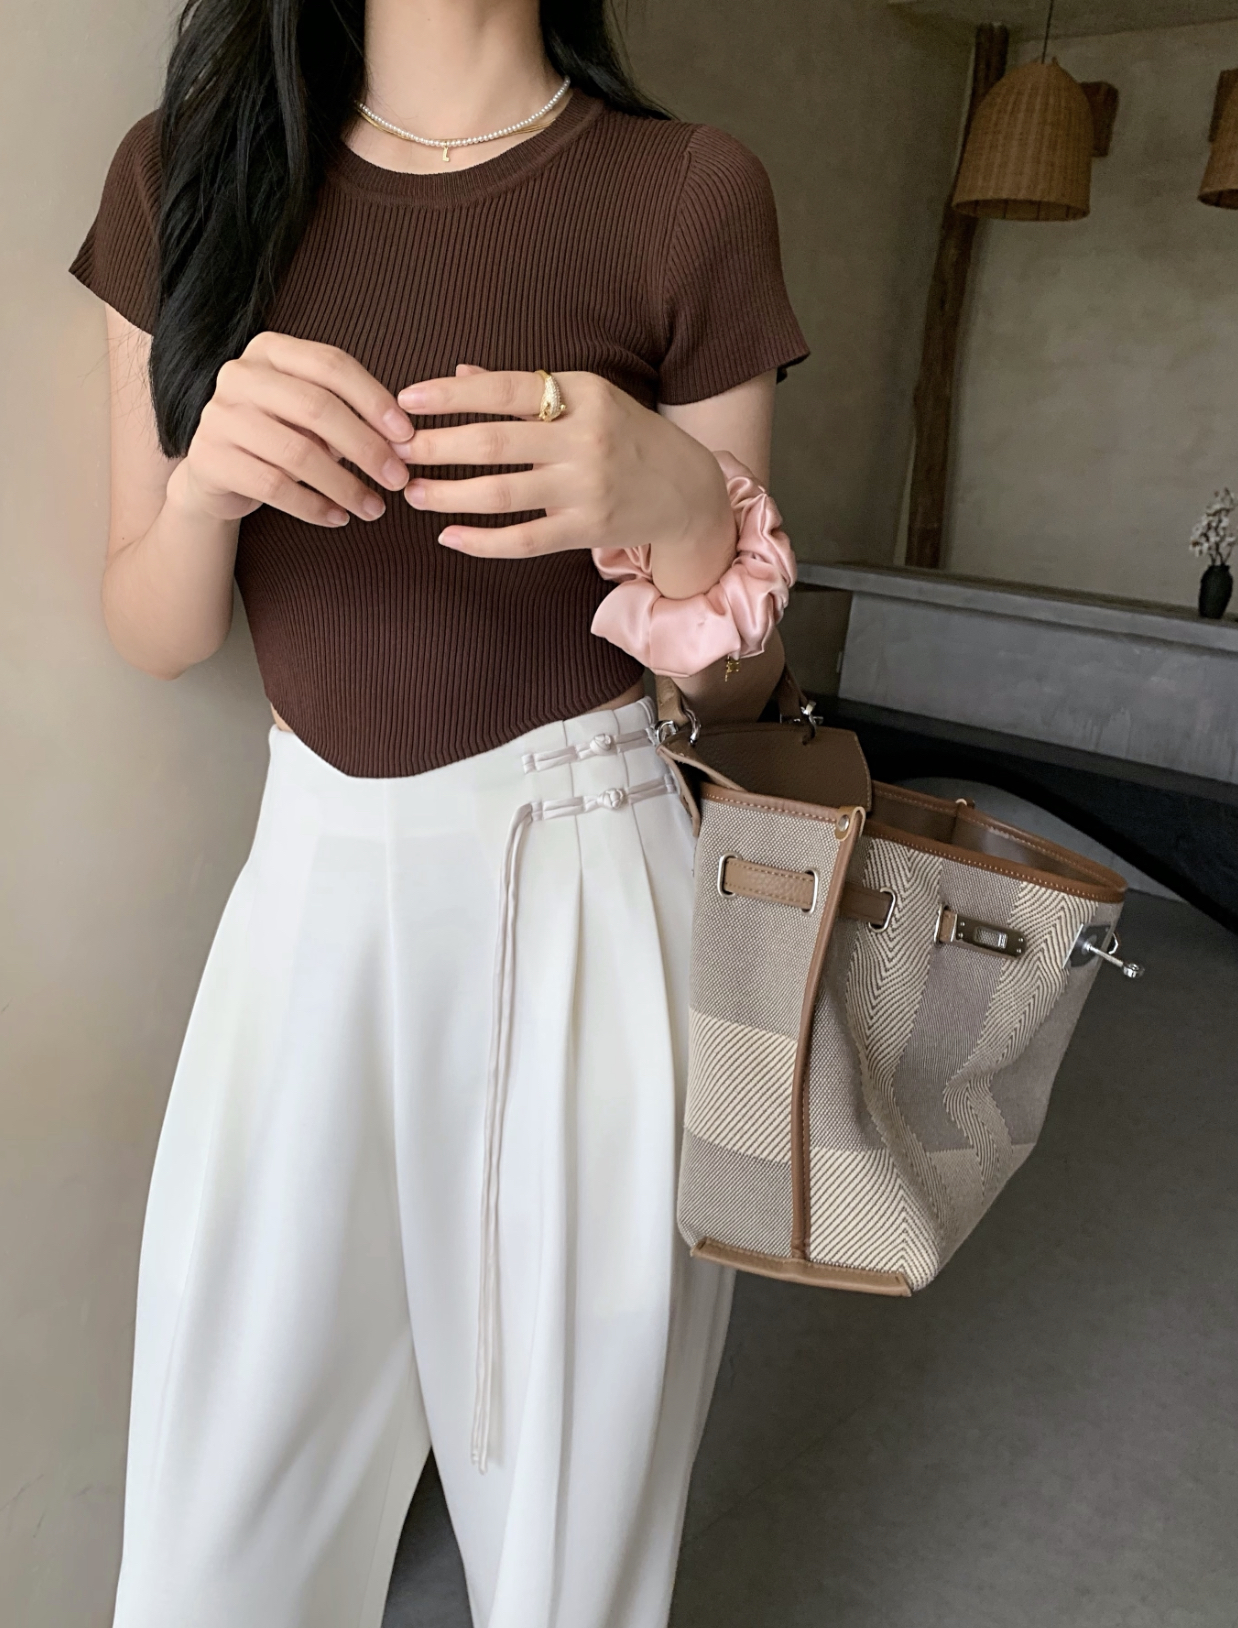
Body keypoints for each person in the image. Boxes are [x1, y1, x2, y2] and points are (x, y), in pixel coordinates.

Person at [70, 0, 808, 1622]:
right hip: (306, 887)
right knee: (217, 1522)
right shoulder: (186, 174)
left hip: (590, 875)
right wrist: (205, 491)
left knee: (572, 1528)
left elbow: (736, 687)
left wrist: (687, 508)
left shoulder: (686, 189)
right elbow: (155, 628)